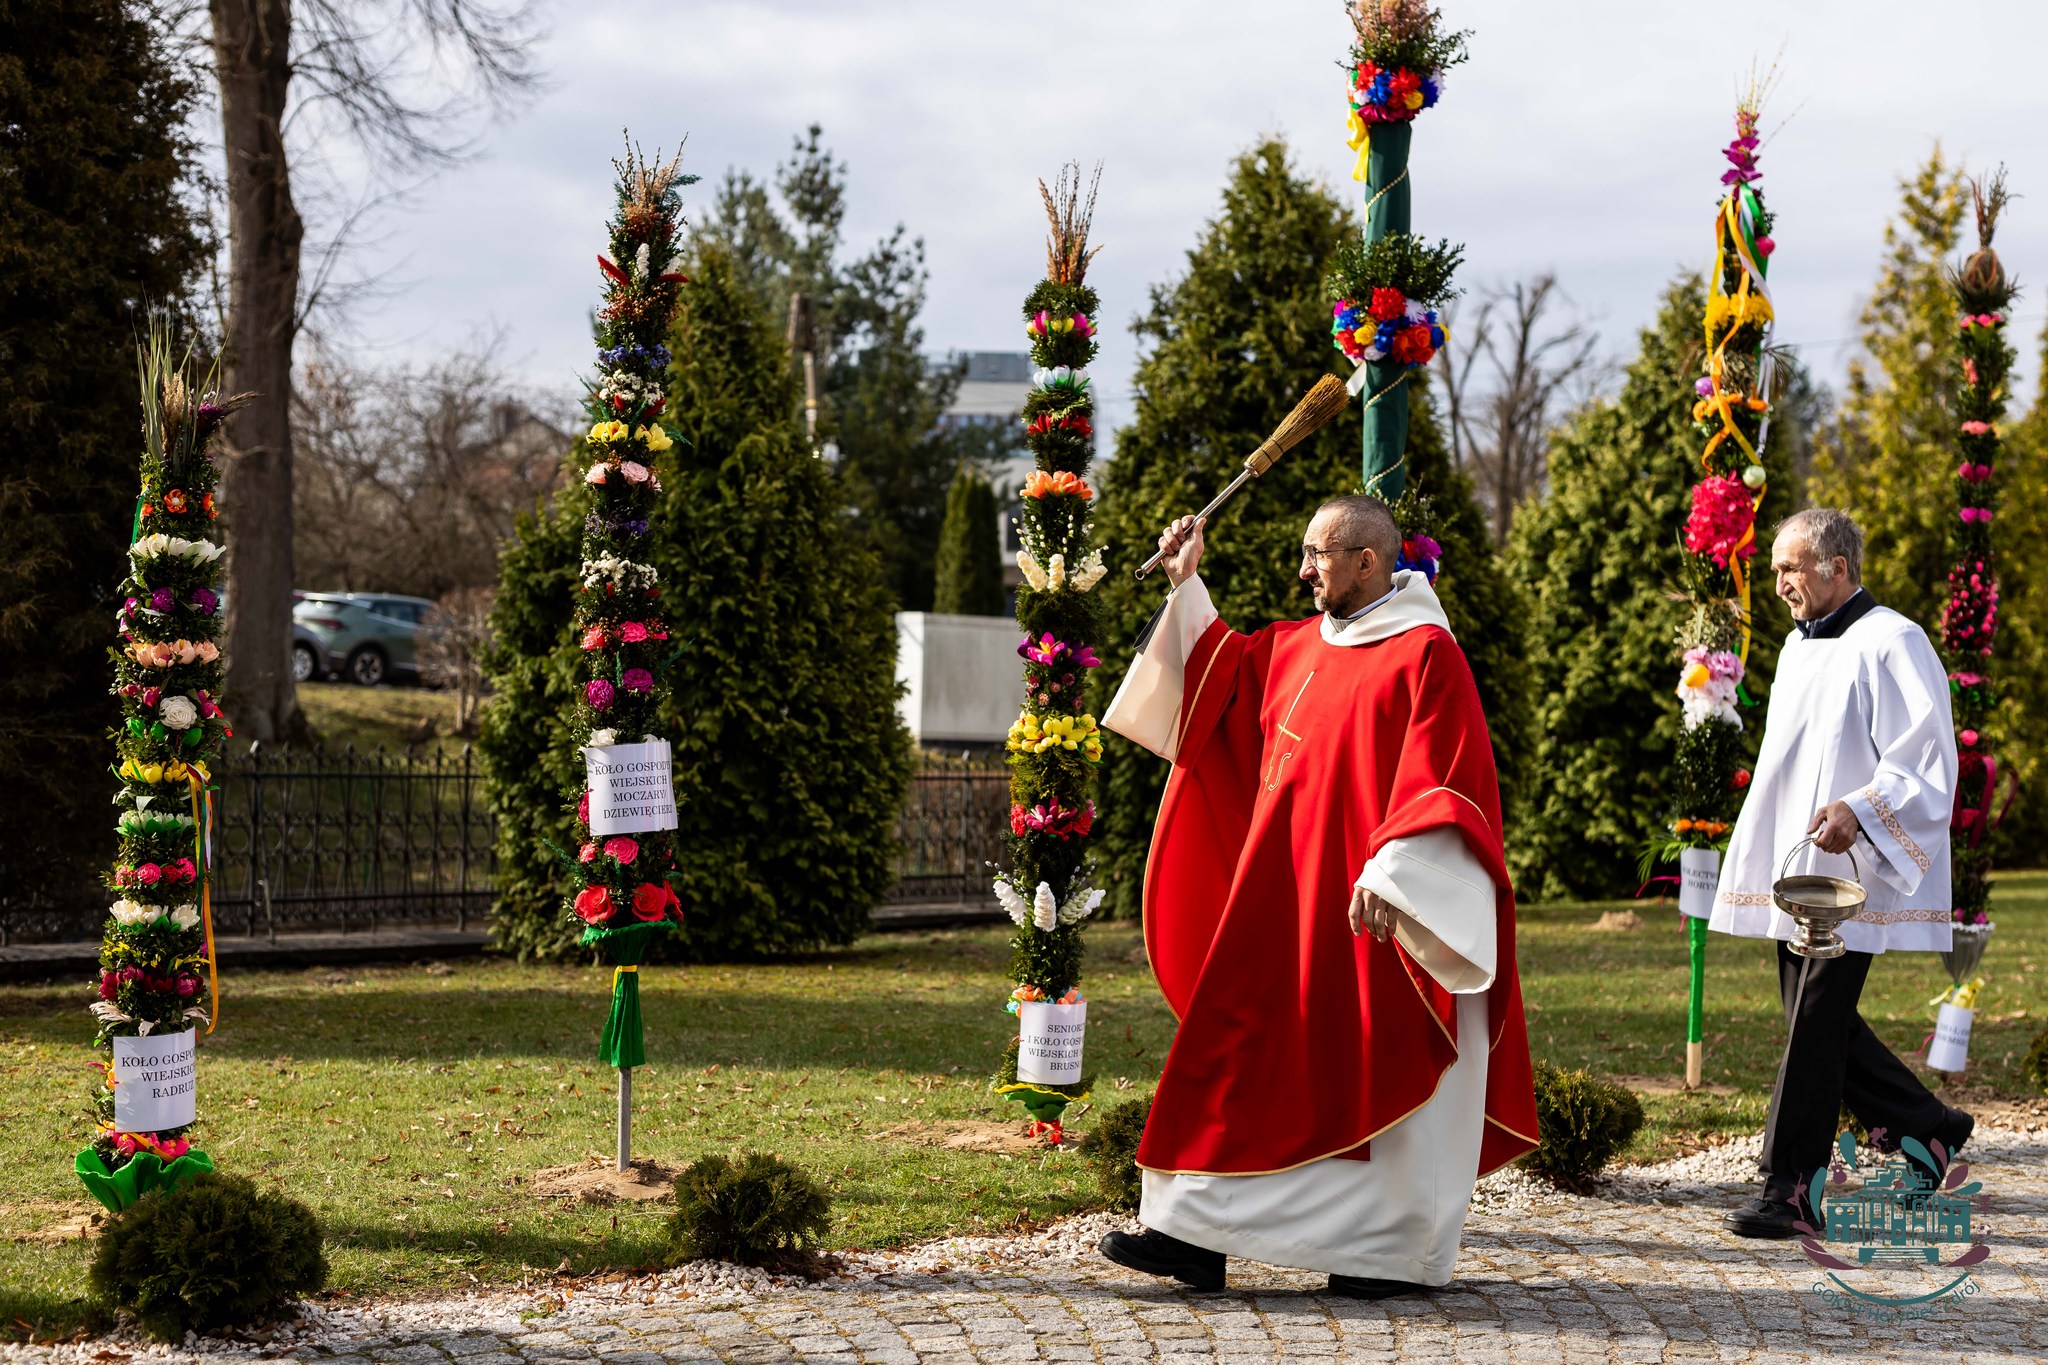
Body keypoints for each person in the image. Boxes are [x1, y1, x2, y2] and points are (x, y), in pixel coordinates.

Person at [1095, 494, 1537, 1299]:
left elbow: (1447, 778)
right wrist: (1188, 584)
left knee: (1379, 1064)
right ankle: (1191, 1233)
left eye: (1319, 554)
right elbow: (1217, 686)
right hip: (1280, 899)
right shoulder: (1292, 646)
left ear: (1369, 560)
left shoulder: (1426, 655)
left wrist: (1398, 876)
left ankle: (1384, 1254)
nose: (1304, 569)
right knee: (1233, 1046)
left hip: (1375, 917)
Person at [1709, 507, 1970, 1238]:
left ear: (1838, 567)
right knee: (1812, 1020)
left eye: (1791, 567)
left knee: (1815, 1025)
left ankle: (1790, 1189)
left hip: (1854, 871)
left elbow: (1925, 756)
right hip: (1799, 872)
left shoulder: (1893, 640)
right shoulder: (1797, 648)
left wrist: (1860, 808)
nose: (1779, 581)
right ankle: (1928, 1125)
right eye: (1777, 568)